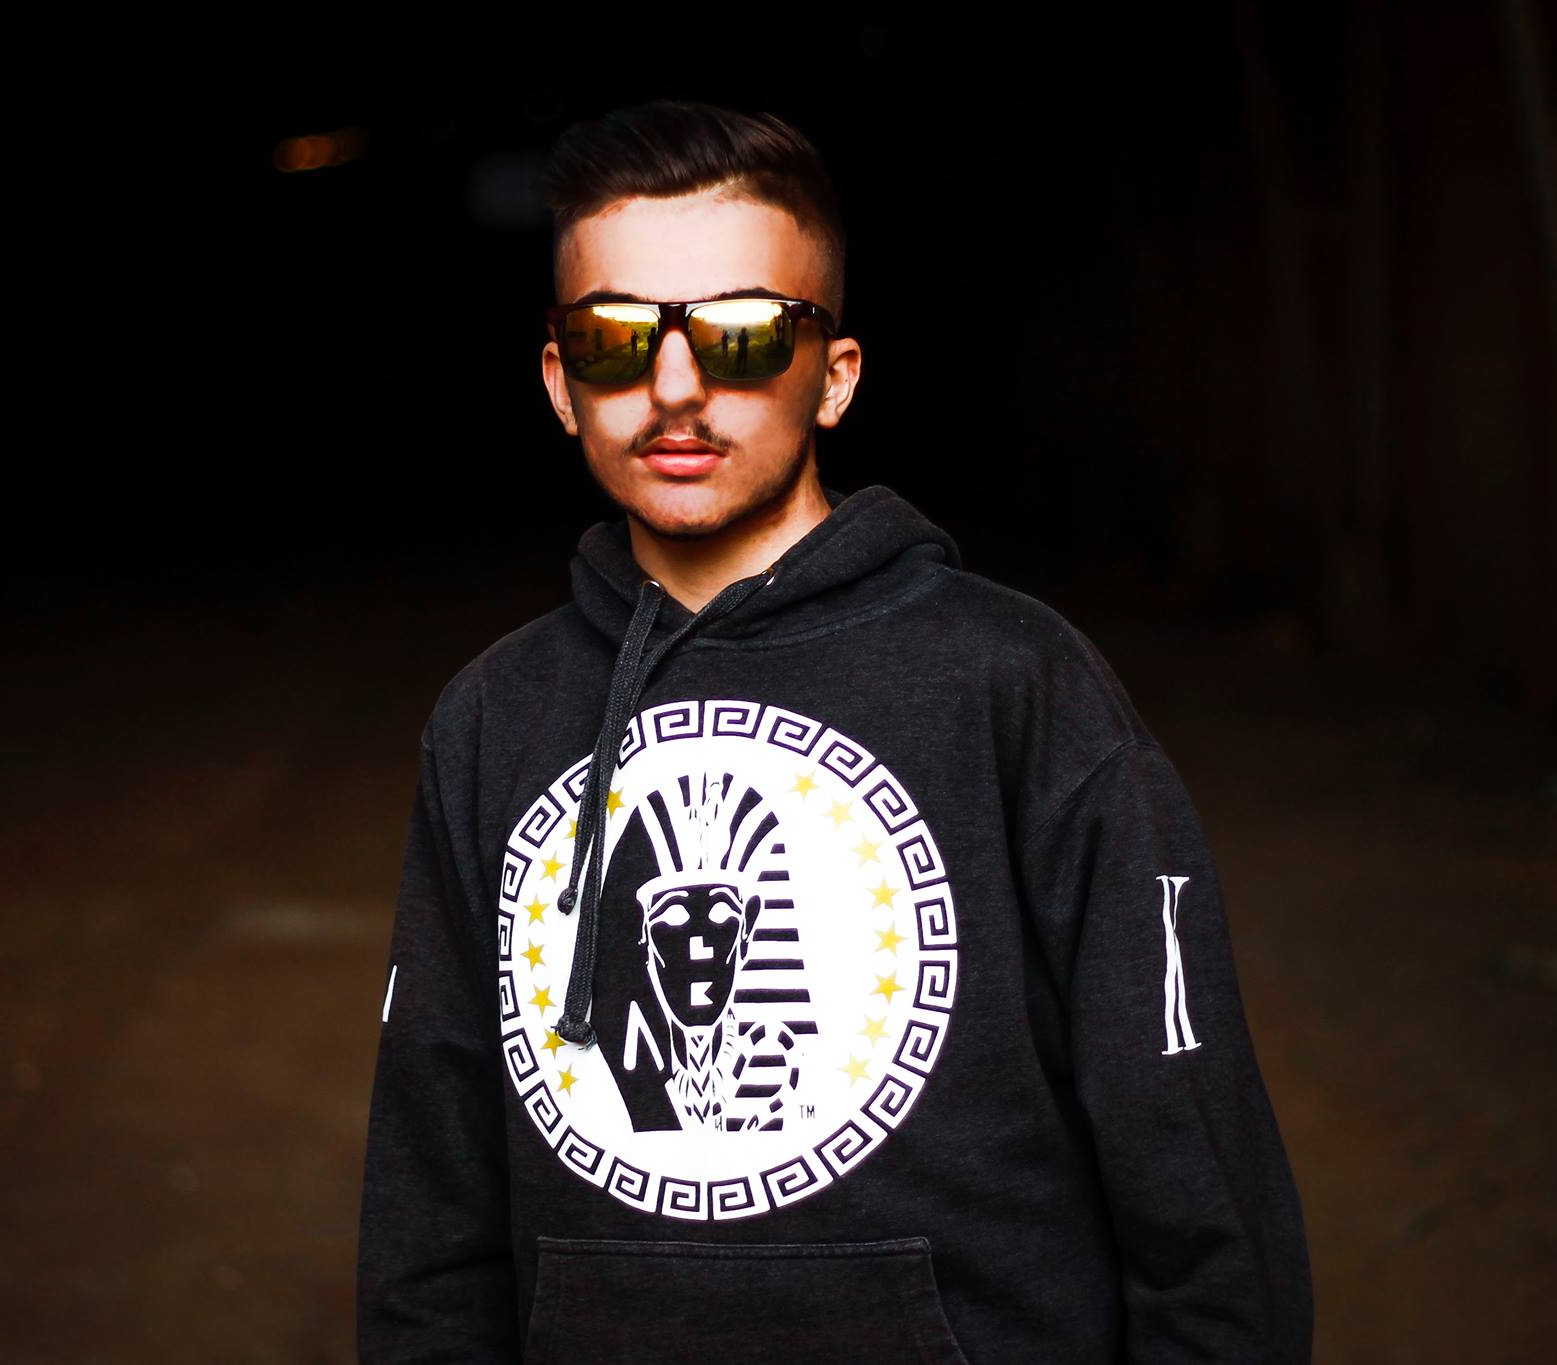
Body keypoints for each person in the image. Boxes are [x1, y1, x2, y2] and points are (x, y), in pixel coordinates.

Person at [355, 98, 1313, 1364]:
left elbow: (1198, 1178)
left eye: (744, 334)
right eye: (614, 337)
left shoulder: (1015, 685)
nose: (675, 387)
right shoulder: (491, 716)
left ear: (835, 375)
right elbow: (428, 1200)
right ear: (557, 382)